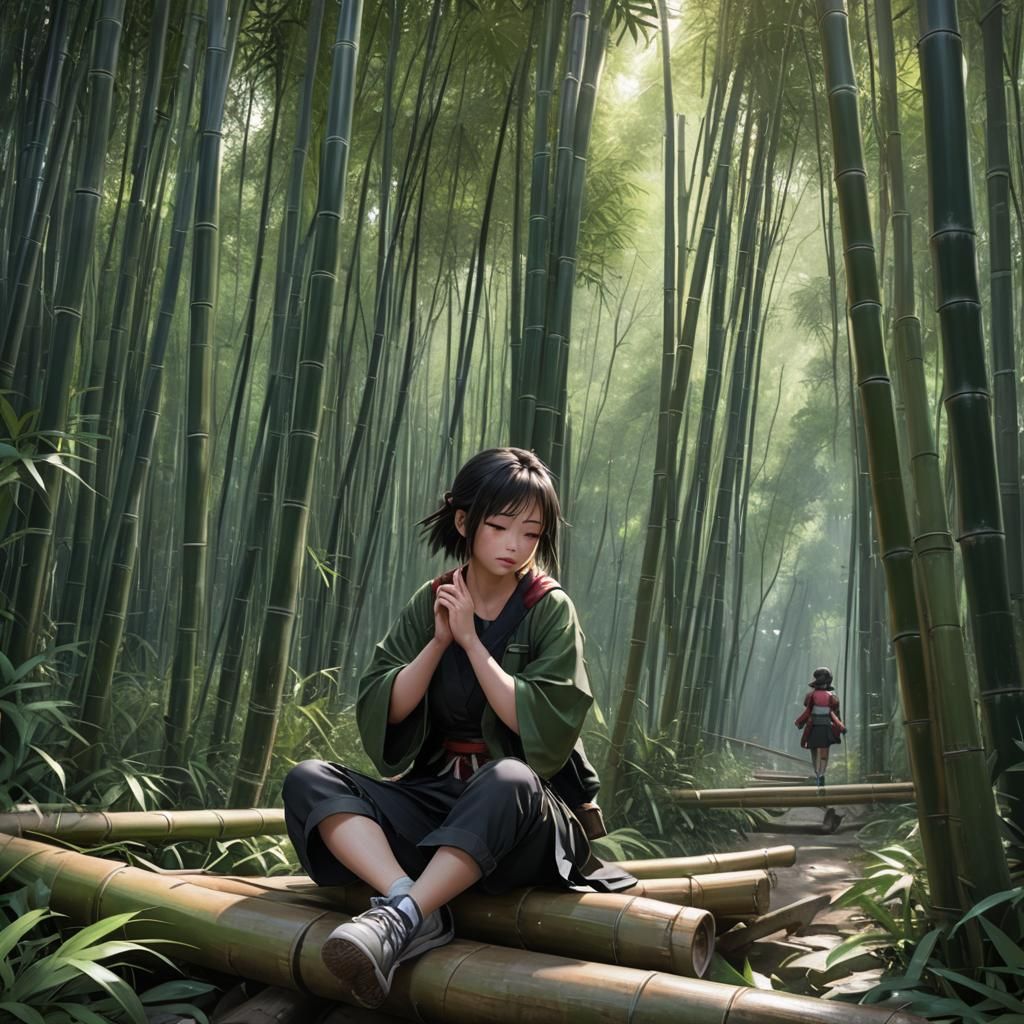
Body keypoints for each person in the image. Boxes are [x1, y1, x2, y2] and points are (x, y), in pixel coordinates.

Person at [281, 447, 633, 1009]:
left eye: (531, 532)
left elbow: (541, 721)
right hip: (435, 799)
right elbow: (385, 707)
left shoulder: (549, 608)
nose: (514, 545)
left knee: (508, 778)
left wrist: (471, 642)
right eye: (499, 527)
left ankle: (401, 918)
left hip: (521, 819)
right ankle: (406, 901)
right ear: (465, 521)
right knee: (309, 779)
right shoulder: (433, 599)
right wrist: (441, 639)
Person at [794, 666, 846, 790]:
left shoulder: (812, 696)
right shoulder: (831, 697)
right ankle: (820, 773)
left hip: (814, 726)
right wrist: (840, 727)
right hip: (823, 727)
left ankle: (819, 774)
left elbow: (808, 711)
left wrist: (799, 722)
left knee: (816, 750)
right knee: (822, 752)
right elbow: (834, 714)